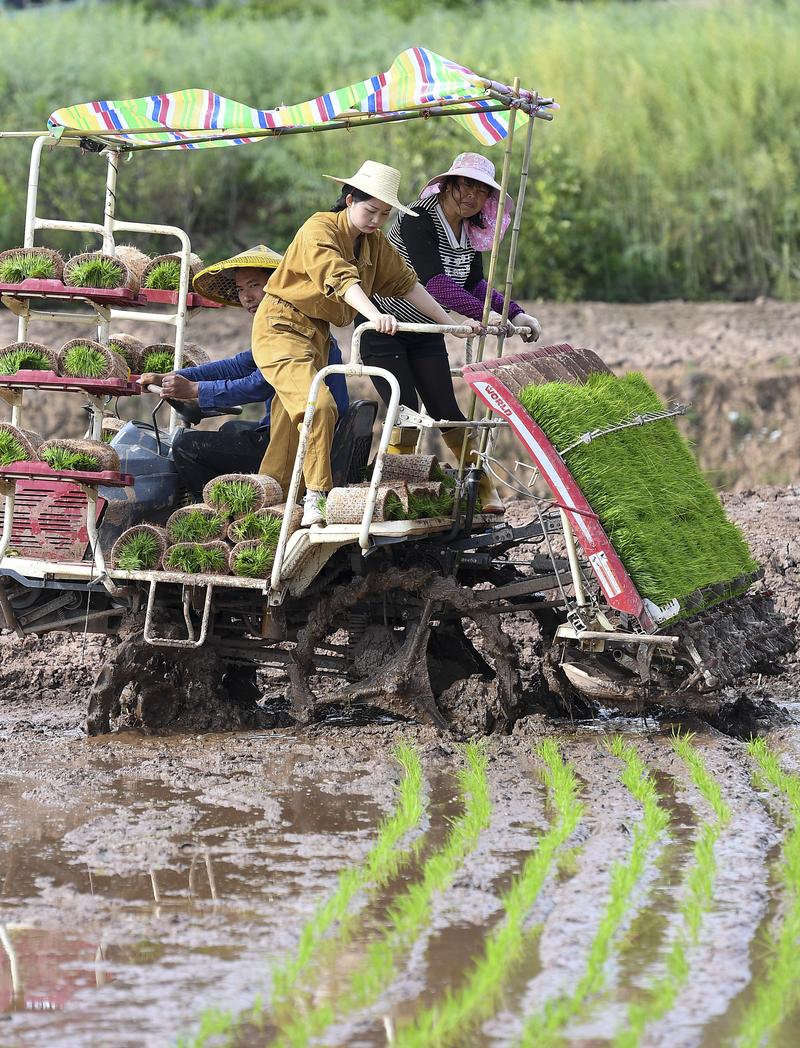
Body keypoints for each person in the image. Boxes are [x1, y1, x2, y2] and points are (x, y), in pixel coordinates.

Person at [251, 160, 480, 528]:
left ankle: (267, 505)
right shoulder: (318, 228)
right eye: (370, 210)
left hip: (318, 334)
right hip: (280, 325)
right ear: (348, 198)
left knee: (288, 424)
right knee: (318, 406)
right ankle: (317, 498)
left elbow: (406, 283)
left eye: (384, 214)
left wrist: (448, 324)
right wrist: (374, 315)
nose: (376, 220)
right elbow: (339, 279)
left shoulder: (373, 243)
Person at [358, 152, 543, 514]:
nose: (471, 196)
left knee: (446, 408)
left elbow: (474, 284)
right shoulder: (419, 218)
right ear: (450, 184)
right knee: (405, 407)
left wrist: (516, 313)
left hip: (427, 329)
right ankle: (396, 495)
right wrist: (483, 315)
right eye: (465, 185)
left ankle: (484, 489)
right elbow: (434, 282)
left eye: (481, 190)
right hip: (387, 326)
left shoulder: (469, 232)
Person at [139, 245, 349, 499]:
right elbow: (239, 365)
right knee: (232, 429)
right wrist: (173, 377)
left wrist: (194, 390)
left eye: (254, 285)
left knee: (186, 446)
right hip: (306, 432)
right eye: (240, 290)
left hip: (297, 441)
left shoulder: (288, 329)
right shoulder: (289, 323)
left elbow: (258, 385)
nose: (247, 297)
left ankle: (217, 514)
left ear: (278, 286)